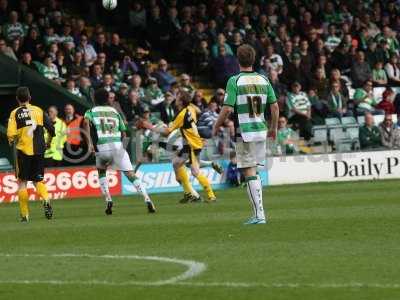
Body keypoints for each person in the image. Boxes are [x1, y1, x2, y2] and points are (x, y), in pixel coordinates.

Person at [212, 44, 279, 225]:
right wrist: (273, 128)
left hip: (245, 130)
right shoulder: (263, 80)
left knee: (248, 170)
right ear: (254, 59)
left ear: (237, 61)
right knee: (253, 170)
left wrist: (216, 126)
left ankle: (259, 214)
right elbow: (274, 106)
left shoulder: (235, 81)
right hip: (261, 129)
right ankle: (258, 213)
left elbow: (226, 109)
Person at [83, 89, 156, 215]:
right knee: (131, 175)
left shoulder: (91, 111)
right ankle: (147, 199)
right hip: (117, 145)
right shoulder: (114, 112)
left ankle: (108, 199)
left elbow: (85, 122)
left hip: (103, 147)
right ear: (107, 99)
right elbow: (124, 132)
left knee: (101, 172)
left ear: (95, 99)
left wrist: (90, 144)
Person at [152, 90, 216, 203]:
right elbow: (198, 111)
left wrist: (151, 127)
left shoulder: (181, 115)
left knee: (195, 171)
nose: (175, 100)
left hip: (192, 144)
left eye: (177, 98)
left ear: (181, 101)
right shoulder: (191, 108)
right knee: (176, 163)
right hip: (192, 142)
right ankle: (188, 194)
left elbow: (167, 132)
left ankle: (211, 196)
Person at [6, 87, 55, 222]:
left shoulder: (14, 113)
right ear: (30, 97)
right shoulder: (39, 110)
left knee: (22, 182)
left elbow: (11, 134)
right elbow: (51, 128)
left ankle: (25, 215)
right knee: (38, 180)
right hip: (39, 150)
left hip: (23, 151)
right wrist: (48, 142)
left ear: (17, 99)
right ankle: (46, 199)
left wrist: (11, 141)